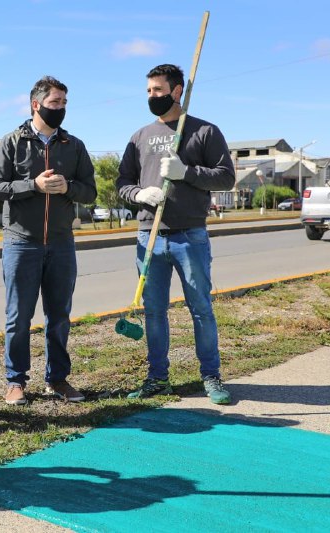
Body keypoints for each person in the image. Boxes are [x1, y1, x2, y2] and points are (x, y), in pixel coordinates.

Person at [116, 64, 236, 404]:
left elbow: (226, 178)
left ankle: (211, 376)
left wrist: (187, 172)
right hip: (149, 235)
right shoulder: (139, 136)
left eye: (158, 90)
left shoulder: (204, 131)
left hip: (190, 235)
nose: (152, 96)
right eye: (149, 91)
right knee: (154, 311)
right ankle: (157, 378)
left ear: (177, 90)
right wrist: (139, 194)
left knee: (201, 308)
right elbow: (122, 183)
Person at [0, 76, 97, 406]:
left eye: (64, 103)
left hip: (61, 243)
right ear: (36, 104)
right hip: (21, 242)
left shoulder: (74, 145)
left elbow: (90, 192)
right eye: (54, 102)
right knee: (18, 317)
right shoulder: (12, 142)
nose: (60, 108)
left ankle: (58, 379)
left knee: (59, 316)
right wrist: (32, 186)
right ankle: (15, 381)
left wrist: (68, 188)